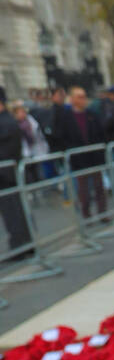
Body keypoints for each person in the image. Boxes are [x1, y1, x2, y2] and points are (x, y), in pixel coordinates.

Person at [59, 85, 108, 221]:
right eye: (80, 97)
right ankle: (86, 214)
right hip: (79, 160)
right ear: (73, 99)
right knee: (83, 190)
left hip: (94, 157)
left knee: (99, 186)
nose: (83, 100)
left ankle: (102, 213)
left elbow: (101, 133)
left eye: (84, 97)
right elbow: (62, 137)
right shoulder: (66, 117)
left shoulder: (92, 114)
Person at [0, 86, 34, 260]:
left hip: (7, 175)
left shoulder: (5, 122)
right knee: (15, 211)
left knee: (13, 212)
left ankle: (21, 246)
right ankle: (24, 245)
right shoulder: (8, 120)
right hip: (10, 174)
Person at [12, 100, 49, 185]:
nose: (22, 114)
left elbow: (38, 135)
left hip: (37, 150)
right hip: (25, 153)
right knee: (29, 175)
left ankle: (42, 189)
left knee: (39, 172)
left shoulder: (31, 121)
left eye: (23, 112)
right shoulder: (15, 125)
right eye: (19, 112)